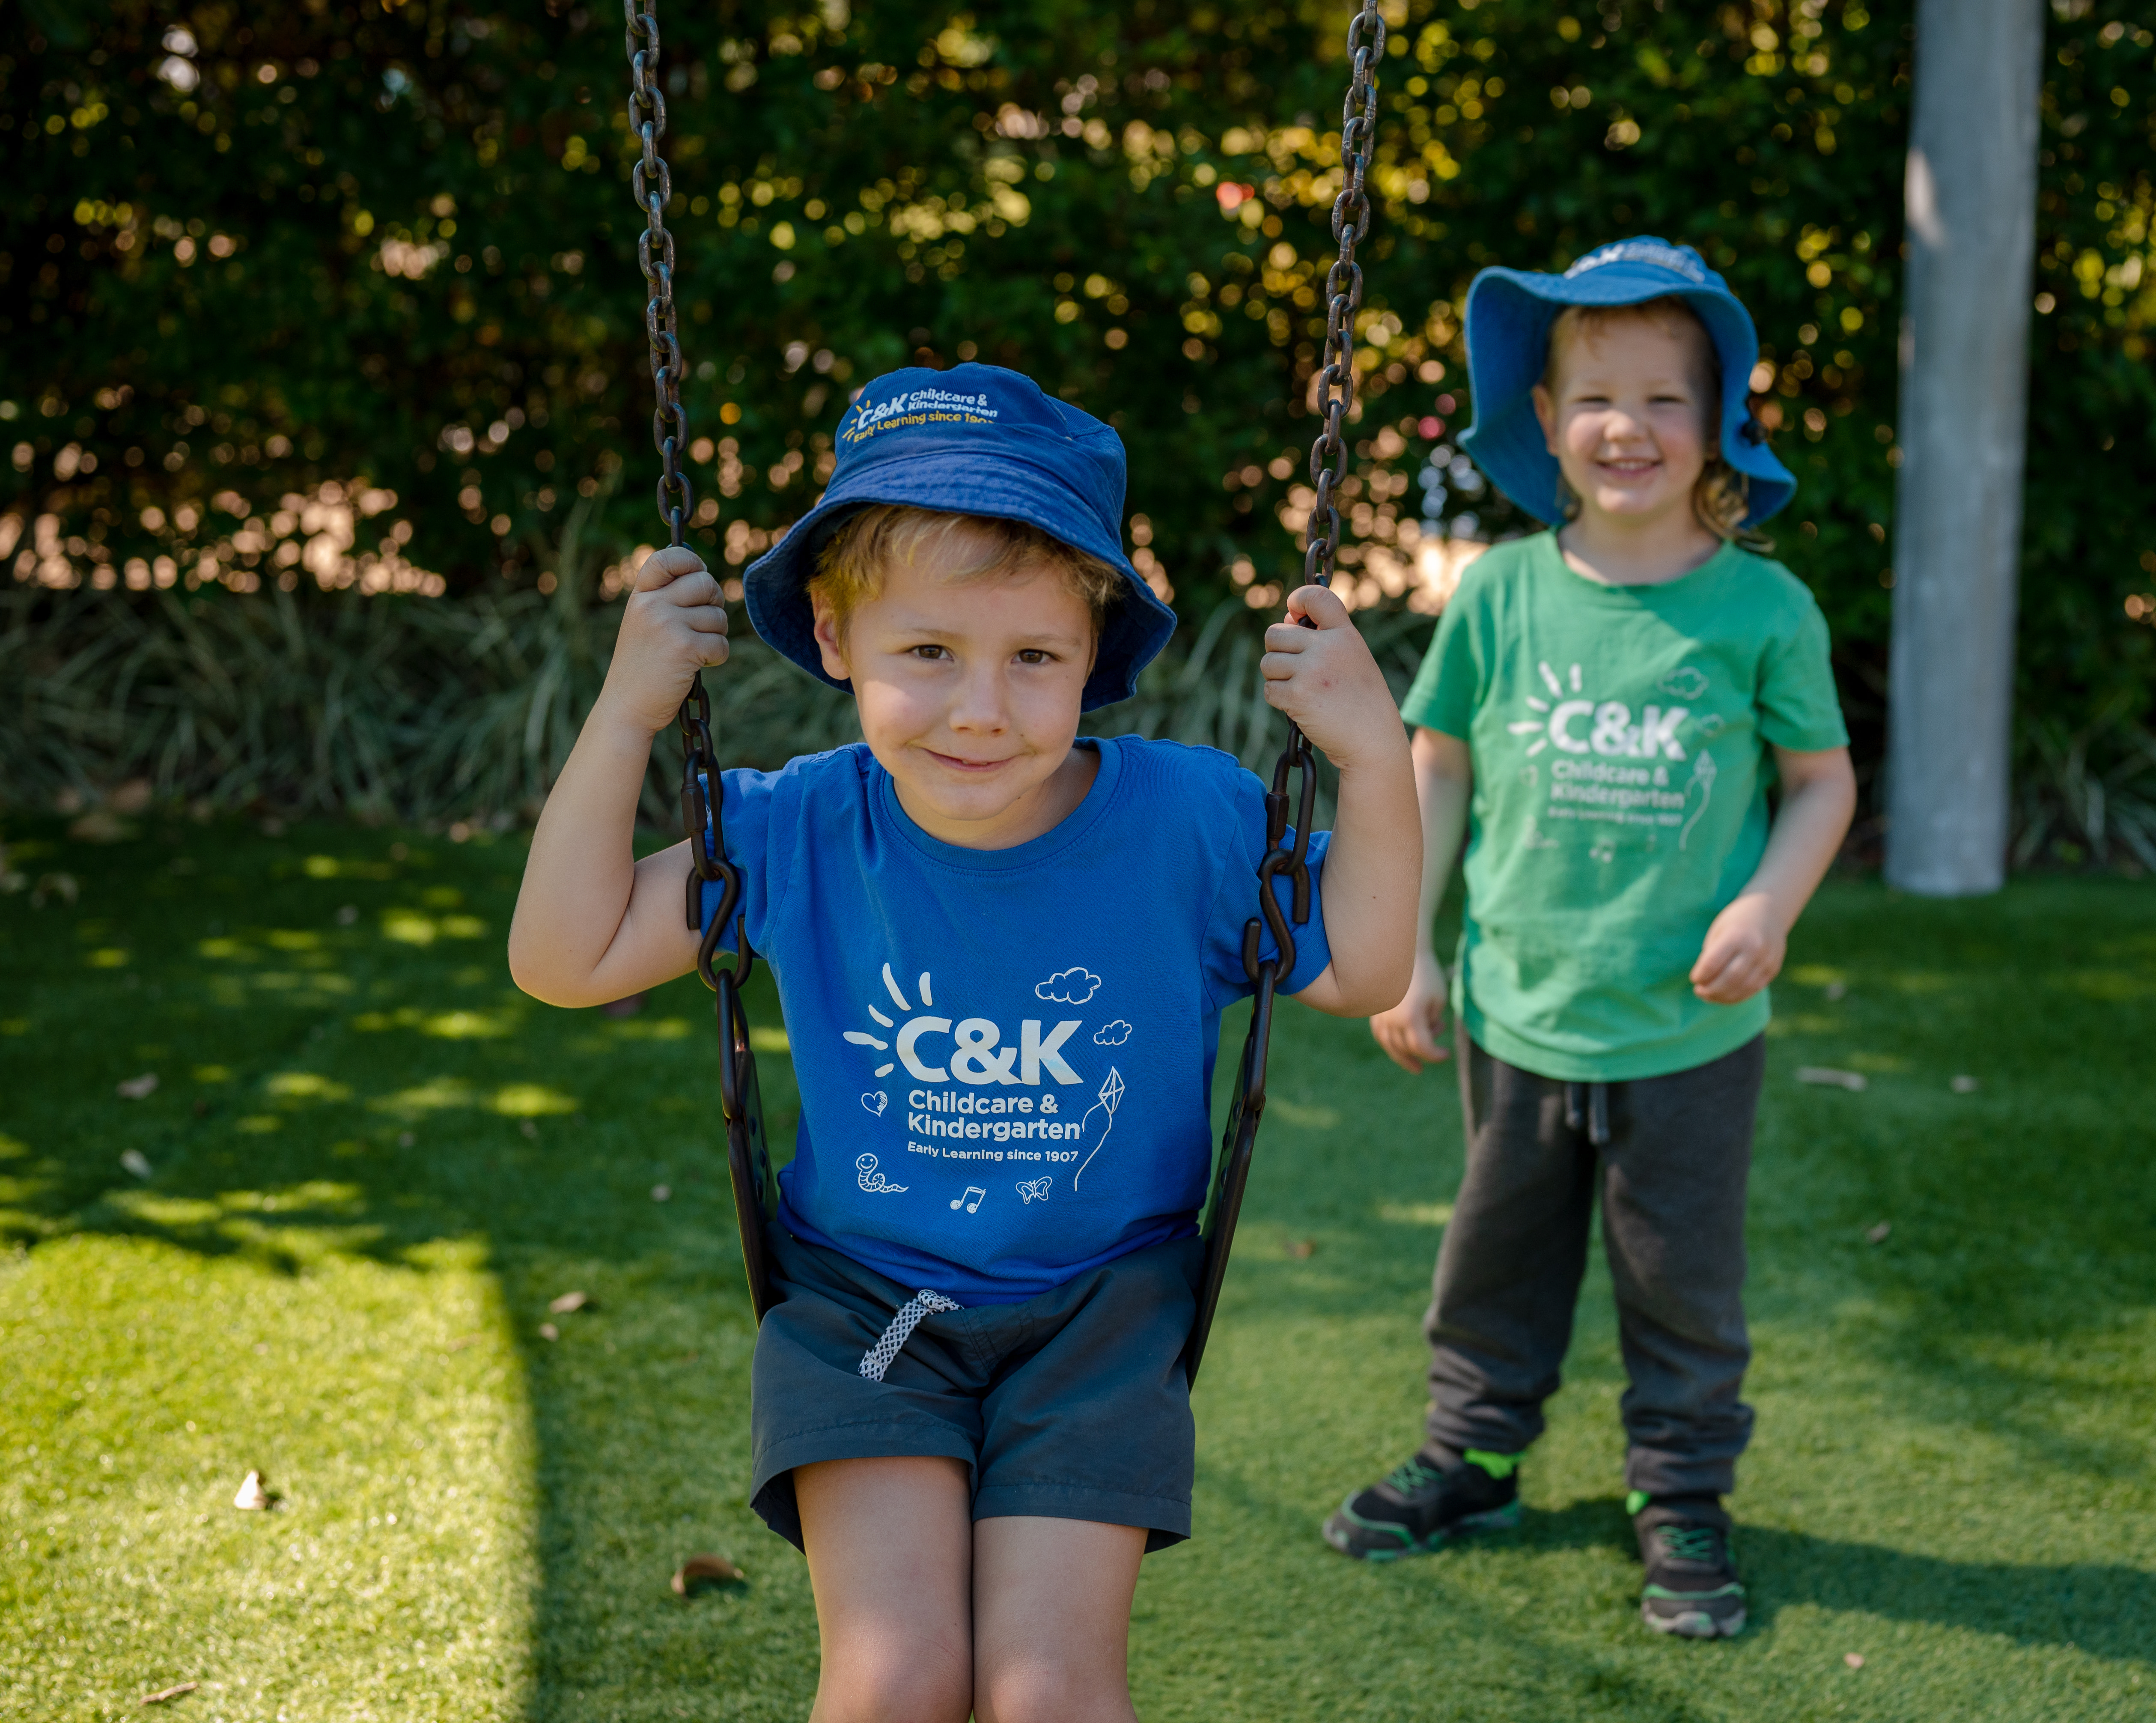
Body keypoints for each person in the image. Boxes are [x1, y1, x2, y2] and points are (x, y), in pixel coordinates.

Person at [509, 363, 1417, 1723]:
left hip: (1104, 1315)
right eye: (928, 653)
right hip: (866, 1304)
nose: (982, 709)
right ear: (834, 636)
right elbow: (562, 958)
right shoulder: (803, 828)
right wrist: (630, 708)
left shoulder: (1188, 820)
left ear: (1091, 651)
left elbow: (1364, 963)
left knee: (1047, 1690)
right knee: (897, 1677)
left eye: (1032, 658)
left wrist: (1374, 756)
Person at [1319, 238, 1857, 1640]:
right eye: (1595, 397)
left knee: (1681, 1277)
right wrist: (1411, 944)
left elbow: (1821, 784)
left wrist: (1768, 905)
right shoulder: (1499, 595)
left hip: (1688, 1029)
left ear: (1721, 422)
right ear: (1547, 424)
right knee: (1495, 1258)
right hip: (1517, 1009)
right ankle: (1475, 1458)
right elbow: (1435, 767)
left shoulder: (1763, 608)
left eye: (1666, 398)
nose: (1629, 426)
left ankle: (1680, 1496)